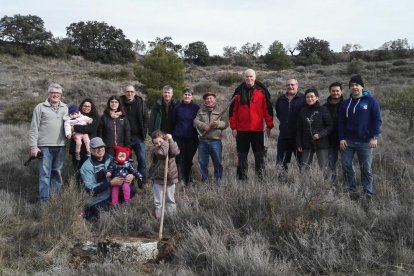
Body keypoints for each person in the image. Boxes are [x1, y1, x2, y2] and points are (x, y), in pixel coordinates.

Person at [338, 75, 382, 200]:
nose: (354, 87)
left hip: (365, 142)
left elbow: (377, 120)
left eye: (357, 85)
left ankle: (367, 192)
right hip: (348, 141)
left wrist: (374, 137)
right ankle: (351, 190)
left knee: (366, 168)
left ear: (362, 86)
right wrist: (341, 138)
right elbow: (341, 123)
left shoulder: (371, 101)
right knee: (347, 166)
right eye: (352, 85)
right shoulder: (345, 104)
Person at [229, 69, 274, 180]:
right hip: (242, 130)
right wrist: (233, 128)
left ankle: (261, 178)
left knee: (259, 156)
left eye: (251, 76)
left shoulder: (262, 91)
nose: (249, 79)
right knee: (242, 156)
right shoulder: (238, 92)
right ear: (244, 78)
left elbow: (267, 109)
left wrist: (269, 125)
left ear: (255, 77)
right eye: (247, 76)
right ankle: (242, 179)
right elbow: (233, 111)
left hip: (257, 130)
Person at [29, 83, 68, 203]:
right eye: (53, 93)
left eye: (58, 93)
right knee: (45, 174)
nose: (55, 95)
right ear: (49, 94)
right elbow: (33, 128)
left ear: (61, 95)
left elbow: (69, 124)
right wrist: (33, 147)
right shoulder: (40, 107)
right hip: (44, 146)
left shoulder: (65, 108)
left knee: (57, 173)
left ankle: (54, 200)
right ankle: (44, 202)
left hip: (60, 146)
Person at [80, 137, 135, 220]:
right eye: (96, 148)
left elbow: (125, 169)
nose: (100, 150)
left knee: (132, 189)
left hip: (112, 192)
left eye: (101, 147)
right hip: (97, 199)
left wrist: (130, 176)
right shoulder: (87, 167)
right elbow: (90, 191)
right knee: (103, 216)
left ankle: (118, 205)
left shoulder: (111, 159)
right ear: (90, 150)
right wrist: (110, 183)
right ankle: (89, 212)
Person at [296, 88, 333, 179]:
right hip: (306, 143)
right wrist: (299, 143)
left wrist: (320, 134)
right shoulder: (303, 111)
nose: (310, 99)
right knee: (304, 167)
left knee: (324, 167)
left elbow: (330, 126)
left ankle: (327, 187)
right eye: (307, 97)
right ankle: (306, 186)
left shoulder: (323, 109)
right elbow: (299, 129)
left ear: (317, 98)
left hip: (321, 143)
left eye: (312, 96)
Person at [194, 91, 229, 184]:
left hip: (215, 141)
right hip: (203, 141)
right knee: (202, 163)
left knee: (217, 163)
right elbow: (195, 122)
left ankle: (218, 180)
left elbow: (226, 124)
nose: (209, 100)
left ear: (214, 100)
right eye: (207, 99)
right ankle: (205, 180)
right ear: (205, 101)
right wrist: (204, 126)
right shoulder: (200, 111)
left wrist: (218, 124)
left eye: (211, 98)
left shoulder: (221, 110)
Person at [148, 130, 180, 219]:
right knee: (158, 201)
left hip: (170, 178)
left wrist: (171, 140)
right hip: (158, 179)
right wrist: (165, 142)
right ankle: (159, 217)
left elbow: (175, 152)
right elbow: (163, 153)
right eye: (155, 143)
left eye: (160, 141)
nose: (158, 144)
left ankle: (171, 217)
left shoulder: (171, 146)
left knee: (170, 199)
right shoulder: (156, 150)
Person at [275, 78, 306, 171]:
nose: (290, 86)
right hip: (284, 136)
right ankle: (281, 184)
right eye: (288, 85)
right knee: (281, 163)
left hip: (299, 138)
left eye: (292, 84)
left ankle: (304, 183)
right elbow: (279, 114)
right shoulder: (280, 100)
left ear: (297, 86)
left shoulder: (304, 98)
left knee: (302, 163)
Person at [120, 85, 149, 181]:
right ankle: (129, 181)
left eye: (131, 92)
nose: (129, 93)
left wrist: (144, 132)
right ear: (125, 92)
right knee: (126, 161)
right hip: (124, 138)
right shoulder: (120, 103)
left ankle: (142, 181)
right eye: (128, 91)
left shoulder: (140, 103)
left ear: (134, 93)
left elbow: (146, 118)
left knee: (142, 160)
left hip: (138, 137)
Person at [172, 87, 200, 185]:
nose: (187, 96)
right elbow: (173, 121)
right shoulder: (177, 107)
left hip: (192, 138)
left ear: (192, 97)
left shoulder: (196, 108)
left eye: (189, 94)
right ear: (182, 96)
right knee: (179, 158)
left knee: (189, 158)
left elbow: (199, 122)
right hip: (179, 137)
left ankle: (188, 178)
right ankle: (179, 178)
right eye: (185, 94)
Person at [69, 98, 100, 179]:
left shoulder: (95, 118)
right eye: (84, 105)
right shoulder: (74, 115)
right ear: (81, 106)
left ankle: (89, 190)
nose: (86, 107)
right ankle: (77, 190)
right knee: (77, 172)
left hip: (89, 150)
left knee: (88, 172)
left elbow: (90, 129)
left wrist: (75, 127)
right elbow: (68, 126)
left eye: (88, 106)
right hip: (76, 149)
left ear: (91, 107)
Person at [323, 82, 344, 187]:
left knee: (347, 165)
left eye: (337, 91)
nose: (335, 93)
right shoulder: (324, 107)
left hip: (345, 140)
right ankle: (332, 187)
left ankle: (349, 187)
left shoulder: (347, 104)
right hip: (330, 141)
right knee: (331, 165)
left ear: (341, 91)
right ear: (329, 92)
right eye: (333, 91)